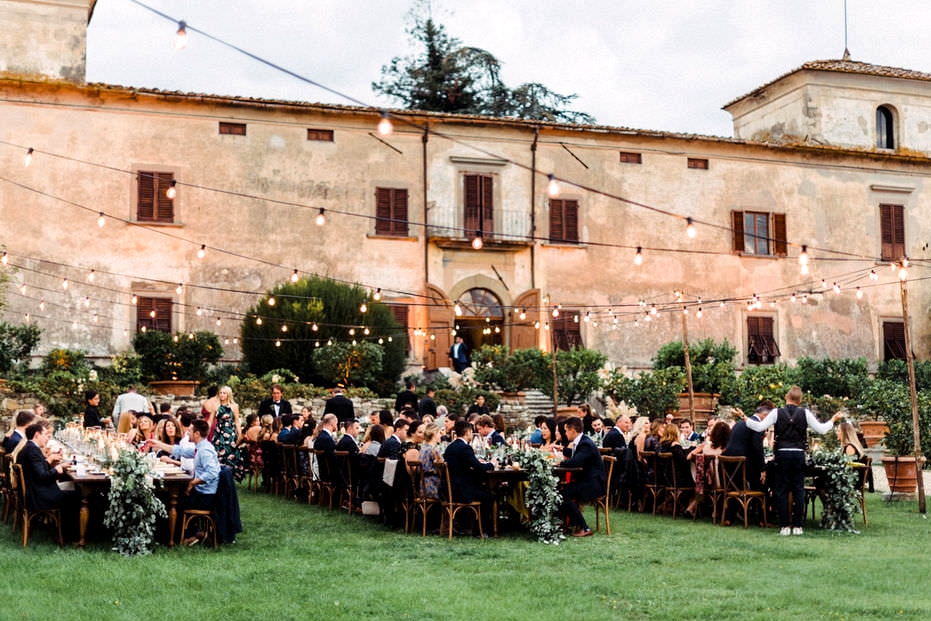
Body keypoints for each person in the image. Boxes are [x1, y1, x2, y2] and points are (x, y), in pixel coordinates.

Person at [744, 386, 844, 536]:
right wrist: (833, 419)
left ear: (786, 397)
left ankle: (785, 525)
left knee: (782, 490)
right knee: (798, 489)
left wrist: (744, 417)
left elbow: (759, 427)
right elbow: (822, 429)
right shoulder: (805, 413)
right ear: (800, 400)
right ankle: (798, 526)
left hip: (782, 454)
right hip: (798, 454)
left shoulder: (776, 412)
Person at [16, 421, 79, 535]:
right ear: (37, 435)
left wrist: (51, 462)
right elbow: (42, 477)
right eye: (45, 434)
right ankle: (71, 534)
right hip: (38, 496)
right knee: (78, 494)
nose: (47, 438)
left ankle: (67, 528)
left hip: (33, 492)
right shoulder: (32, 450)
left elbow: (37, 470)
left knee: (72, 486)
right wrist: (56, 469)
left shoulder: (29, 448)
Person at [558, 416, 607, 537]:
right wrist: (562, 450)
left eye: (566, 430)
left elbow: (575, 461)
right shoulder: (582, 441)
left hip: (594, 485)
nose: (565, 433)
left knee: (564, 494)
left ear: (572, 430)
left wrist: (559, 463)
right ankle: (569, 524)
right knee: (563, 490)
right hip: (588, 481)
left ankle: (584, 527)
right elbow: (576, 454)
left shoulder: (585, 444)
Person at [443, 419, 494, 530]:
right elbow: (479, 468)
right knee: (489, 496)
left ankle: (469, 525)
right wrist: (492, 464)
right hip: (461, 492)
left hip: (449, 490)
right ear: (467, 432)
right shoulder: (465, 448)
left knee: (483, 489)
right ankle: (481, 529)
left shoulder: (450, 447)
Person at [181, 419, 221, 546]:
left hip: (206, 497)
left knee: (175, 501)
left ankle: (191, 535)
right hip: (203, 493)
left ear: (197, 433)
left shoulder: (204, 451)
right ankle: (194, 532)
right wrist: (159, 444)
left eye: (190, 430)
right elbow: (181, 451)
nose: (188, 432)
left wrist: (193, 483)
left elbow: (212, 472)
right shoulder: (201, 447)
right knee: (179, 497)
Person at [211, 385, 244, 480]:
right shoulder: (216, 406)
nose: (222, 395)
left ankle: (230, 477)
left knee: (230, 454)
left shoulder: (234, 406)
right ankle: (218, 477)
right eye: (220, 393)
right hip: (219, 433)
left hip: (230, 433)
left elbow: (237, 421)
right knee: (217, 454)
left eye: (224, 393)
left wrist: (240, 434)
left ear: (228, 394)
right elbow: (210, 421)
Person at [418, 423, 444, 500]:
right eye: (439, 433)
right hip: (433, 487)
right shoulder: (434, 450)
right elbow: (443, 469)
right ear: (434, 434)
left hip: (422, 486)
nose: (441, 435)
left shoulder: (422, 448)